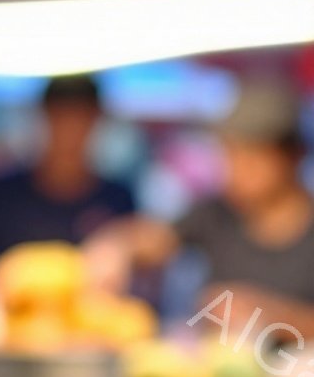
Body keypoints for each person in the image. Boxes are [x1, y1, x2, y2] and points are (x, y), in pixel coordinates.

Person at [86, 80, 314, 338]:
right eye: (230, 154)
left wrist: (272, 317)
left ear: (293, 156)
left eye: (252, 156)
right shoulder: (216, 213)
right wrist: (117, 246)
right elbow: (155, 239)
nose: (237, 169)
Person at [0, 74, 137, 266]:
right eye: (61, 117)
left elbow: (148, 239)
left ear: (97, 120)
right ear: (43, 116)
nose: (70, 130)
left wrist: (119, 242)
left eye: (80, 118)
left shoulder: (117, 197)